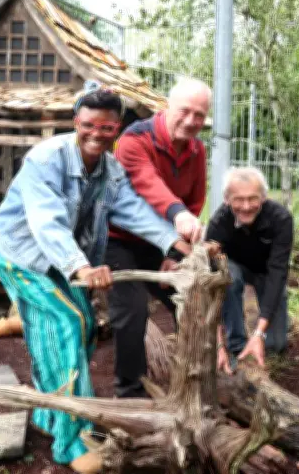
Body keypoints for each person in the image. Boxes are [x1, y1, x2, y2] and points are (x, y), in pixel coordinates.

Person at [0, 83, 190, 473]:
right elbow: (47, 222)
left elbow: (132, 211)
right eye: (89, 125)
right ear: (75, 122)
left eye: (108, 128)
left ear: (118, 130)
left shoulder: (111, 171)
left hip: (62, 261)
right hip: (20, 255)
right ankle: (70, 437)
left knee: (85, 330)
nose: (97, 134)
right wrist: (80, 267)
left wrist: (172, 243)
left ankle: (50, 413)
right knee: (66, 323)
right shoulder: (46, 159)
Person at [106, 77, 211, 398]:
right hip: (120, 240)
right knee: (133, 312)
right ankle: (129, 391)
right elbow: (146, 184)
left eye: (199, 115)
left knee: (194, 300)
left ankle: (196, 378)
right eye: (185, 112)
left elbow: (195, 199)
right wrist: (178, 216)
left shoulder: (196, 149)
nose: (192, 121)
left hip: (165, 243)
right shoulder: (134, 140)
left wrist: (176, 252)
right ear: (166, 106)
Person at [205, 167, 293, 373]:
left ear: (264, 197)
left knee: (276, 346)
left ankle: (264, 334)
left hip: (266, 272)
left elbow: (277, 273)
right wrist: (218, 345)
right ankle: (236, 346)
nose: (246, 206)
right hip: (235, 268)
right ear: (227, 199)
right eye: (238, 199)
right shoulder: (219, 223)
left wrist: (259, 333)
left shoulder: (281, 219)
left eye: (252, 199)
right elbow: (212, 285)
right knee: (229, 278)